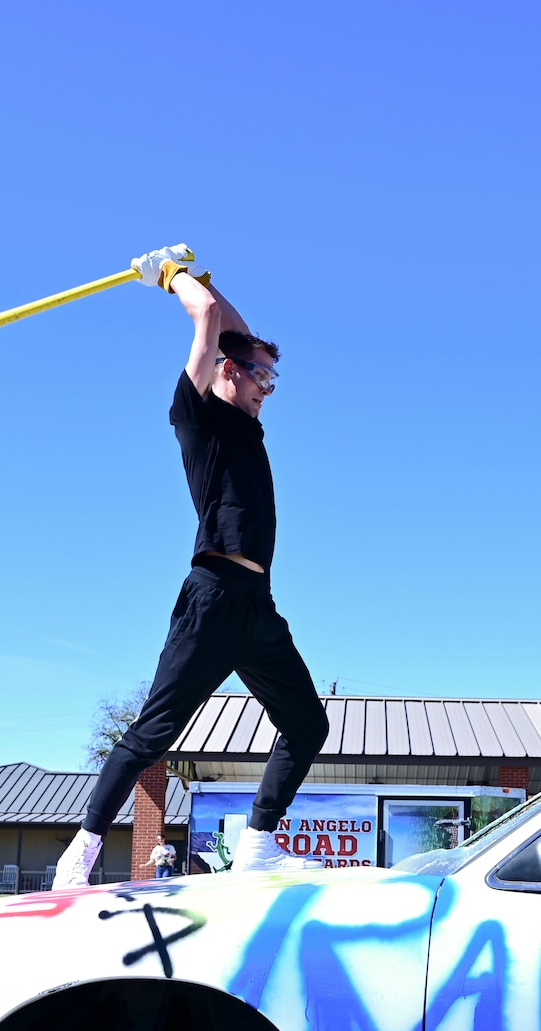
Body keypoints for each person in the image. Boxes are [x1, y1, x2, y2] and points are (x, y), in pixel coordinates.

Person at [54, 246, 330, 886]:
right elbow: (207, 318)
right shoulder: (198, 418)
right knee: (153, 733)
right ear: (226, 373)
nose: (270, 386)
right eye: (261, 374)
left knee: (307, 724)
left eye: (272, 377)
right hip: (210, 597)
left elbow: (227, 318)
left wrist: (206, 277)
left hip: (257, 607)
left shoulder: (248, 425)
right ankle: (82, 853)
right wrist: (173, 278)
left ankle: (259, 842)